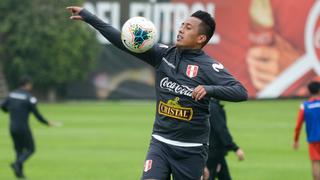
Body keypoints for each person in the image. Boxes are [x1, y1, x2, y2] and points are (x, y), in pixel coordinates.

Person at [67, 6, 248, 180]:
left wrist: (209, 89)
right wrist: (89, 17)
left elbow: (240, 92)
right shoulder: (163, 55)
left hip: (191, 150)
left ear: (201, 38)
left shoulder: (209, 67)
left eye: (188, 27)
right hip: (160, 143)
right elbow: (122, 41)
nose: (181, 29)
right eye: (182, 25)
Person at [1, 76, 57, 178]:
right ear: (27, 84)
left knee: (18, 151)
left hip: (12, 128)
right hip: (23, 128)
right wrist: (47, 123)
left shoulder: (12, 94)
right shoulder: (29, 98)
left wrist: (9, 111)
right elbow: (37, 114)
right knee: (31, 149)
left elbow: (3, 106)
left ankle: (19, 174)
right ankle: (17, 164)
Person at [203, 99, 244, 180]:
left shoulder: (210, 104)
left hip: (214, 152)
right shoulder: (213, 107)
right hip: (212, 153)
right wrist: (235, 148)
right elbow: (221, 129)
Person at [293, 81, 320, 180]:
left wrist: (296, 140)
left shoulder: (305, 105)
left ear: (309, 91)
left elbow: (298, 126)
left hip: (313, 139)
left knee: (315, 163)